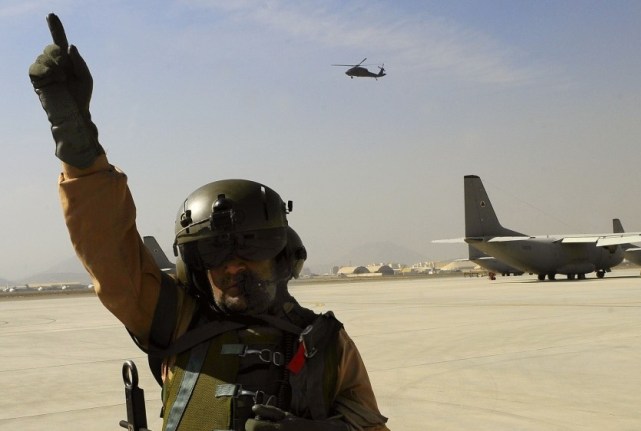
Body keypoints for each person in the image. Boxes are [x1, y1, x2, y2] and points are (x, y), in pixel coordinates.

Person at [29, 13, 389, 431]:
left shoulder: (326, 344)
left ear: (282, 254)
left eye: (250, 247)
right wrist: (75, 138)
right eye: (214, 250)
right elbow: (107, 249)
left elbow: (371, 425)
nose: (233, 265)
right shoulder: (173, 319)